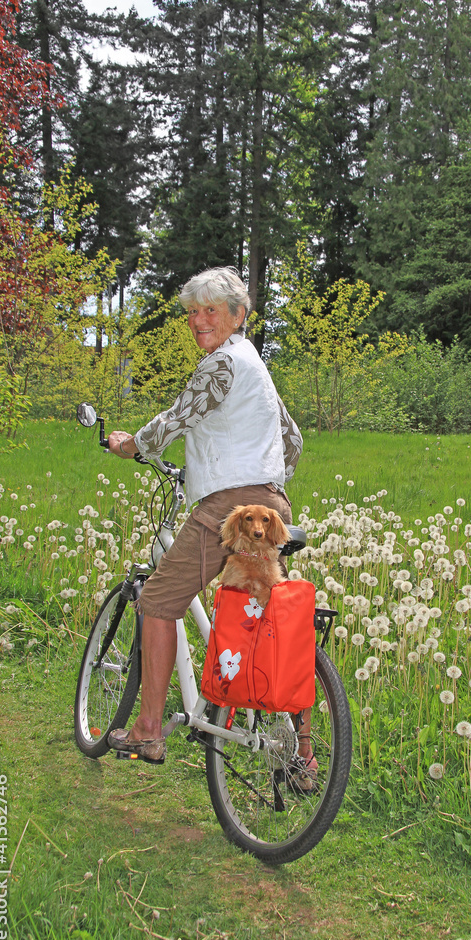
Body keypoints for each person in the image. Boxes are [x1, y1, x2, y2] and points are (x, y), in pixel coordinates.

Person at [106, 267, 303, 763]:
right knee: (267, 622)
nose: (198, 321)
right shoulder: (256, 365)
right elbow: (293, 439)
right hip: (272, 505)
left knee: (157, 601)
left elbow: (179, 416)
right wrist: (265, 481)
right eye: (192, 312)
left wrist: (133, 445)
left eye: (210, 310)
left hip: (230, 509)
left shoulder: (220, 365)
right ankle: (305, 757)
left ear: (238, 315)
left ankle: (149, 728)